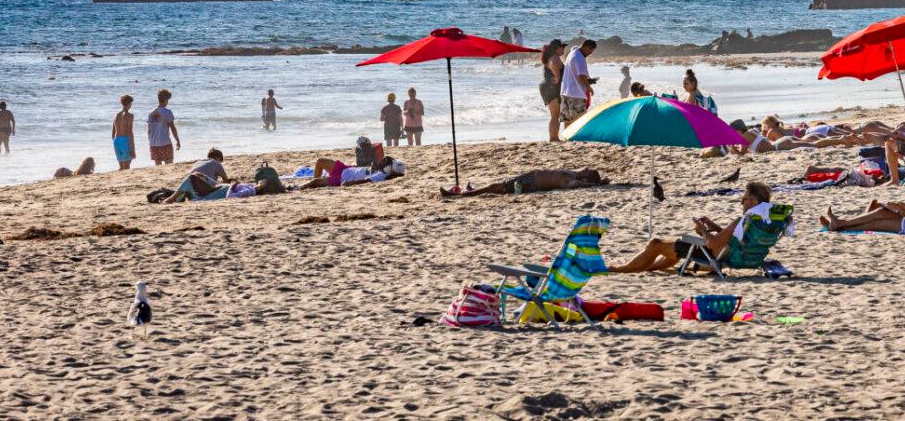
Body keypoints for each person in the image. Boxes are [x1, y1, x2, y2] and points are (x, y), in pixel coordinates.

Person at [608, 182, 773, 273]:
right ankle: (646, 267)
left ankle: (621, 269)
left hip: (711, 255)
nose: (742, 203)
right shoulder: (763, 221)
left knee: (656, 243)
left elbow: (712, 244)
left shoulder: (740, 220)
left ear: (755, 202)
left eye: (746, 199)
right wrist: (716, 227)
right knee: (675, 247)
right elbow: (735, 239)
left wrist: (702, 230)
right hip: (734, 255)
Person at [821, 151, 905, 234]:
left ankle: (840, 225)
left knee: (876, 223)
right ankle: (840, 224)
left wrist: (899, 209)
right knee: (880, 212)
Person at [440, 168, 607, 197]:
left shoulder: (572, 181)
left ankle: (464, 195)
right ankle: (472, 191)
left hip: (530, 183)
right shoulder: (574, 173)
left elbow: (585, 185)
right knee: (498, 186)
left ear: (587, 178)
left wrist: (597, 185)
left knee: (497, 187)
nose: (586, 168)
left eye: (588, 171)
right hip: (530, 177)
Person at [165, 148, 230, 203]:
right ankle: (173, 198)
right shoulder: (216, 163)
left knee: (191, 178)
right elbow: (226, 180)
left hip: (189, 190)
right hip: (202, 189)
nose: (220, 163)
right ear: (218, 158)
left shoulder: (198, 162)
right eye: (220, 161)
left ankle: (173, 197)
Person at [301, 156, 405, 189]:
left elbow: (367, 180)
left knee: (315, 182)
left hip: (341, 178)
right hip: (345, 169)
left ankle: (299, 188)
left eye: (388, 164)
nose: (384, 163)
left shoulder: (382, 175)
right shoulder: (383, 171)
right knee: (320, 161)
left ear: (390, 169)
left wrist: (350, 183)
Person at [560, 39, 597, 127]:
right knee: (579, 122)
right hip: (576, 94)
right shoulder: (580, 58)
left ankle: (567, 135)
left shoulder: (573, 52)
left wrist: (588, 80)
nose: (590, 53)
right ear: (585, 47)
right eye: (590, 51)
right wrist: (589, 87)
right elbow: (581, 76)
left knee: (567, 121)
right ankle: (577, 136)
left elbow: (575, 74)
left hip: (565, 92)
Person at [539, 39, 565, 141]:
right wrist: (557, 77)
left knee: (556, 115)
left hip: (549, 87)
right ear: (557, 48)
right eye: (562, 47)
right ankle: (553, 138)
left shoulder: (552, 57)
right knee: (555, 115)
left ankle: (555, 137)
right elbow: (553, 65)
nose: (563, 49)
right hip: (551, 88)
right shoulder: (554, 58)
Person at [147, 89, 180, 166]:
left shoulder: (151, 113)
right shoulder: (167, 112)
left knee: (158, 166)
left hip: (154, 144)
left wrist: (150, 142)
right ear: (166, 100)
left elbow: (149, 130)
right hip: (165, 142)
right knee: (169, 165)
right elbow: (172, 128)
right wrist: (177, 141)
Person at [111, 94, 135, 170]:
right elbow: (129, 132)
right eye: (131, 103)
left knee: (121, 166)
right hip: (125, 140)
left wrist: (115, 141)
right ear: (129, 104)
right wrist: (132, 147)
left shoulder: (117, 115)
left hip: (116, 140)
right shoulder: (130, 115)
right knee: (126, 166)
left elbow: (113, 131)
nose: (131, 105)